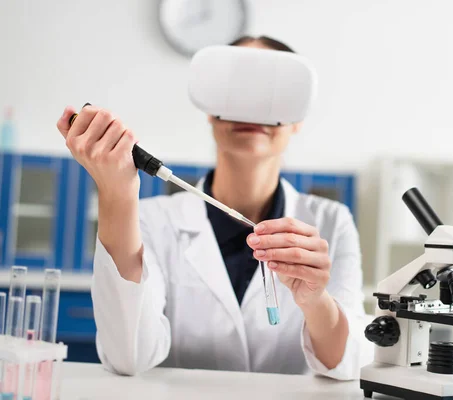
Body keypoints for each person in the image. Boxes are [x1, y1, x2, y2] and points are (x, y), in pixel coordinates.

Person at [55, 35, 365, 380]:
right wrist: (117, 192)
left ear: (298, 117)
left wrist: (314, 300)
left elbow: (346, 364)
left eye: (271, 92)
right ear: (210, 108)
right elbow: (127, 357)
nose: (253, 108)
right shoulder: (152, 221)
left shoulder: (332, 221)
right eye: (239, 88)